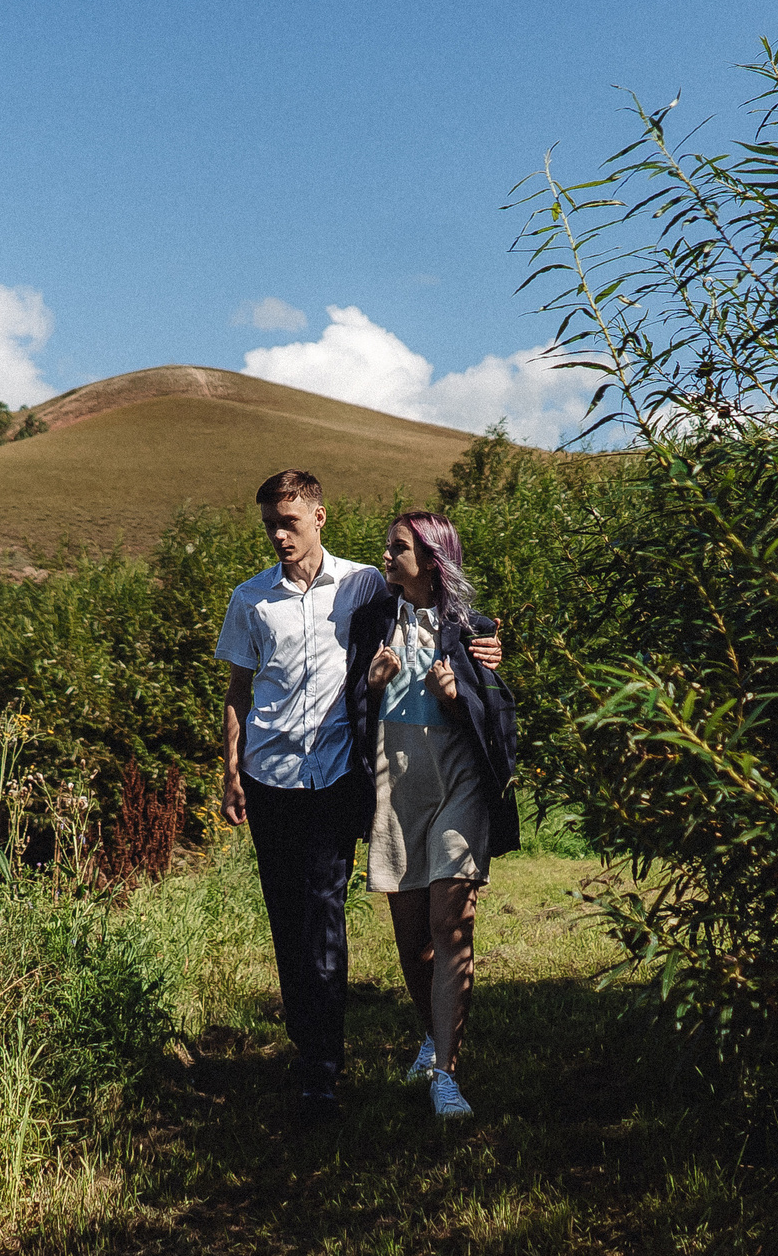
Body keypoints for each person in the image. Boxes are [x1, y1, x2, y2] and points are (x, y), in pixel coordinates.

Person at [217, 469, 502, 1122]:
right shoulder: (252, 599)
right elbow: (238, 690)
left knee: (328, 917)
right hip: (277, 778)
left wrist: (485, 654)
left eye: (289, 521)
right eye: (269, 525)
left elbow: (454, 621)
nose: (278, 535)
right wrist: (231, 772)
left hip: (340, 778)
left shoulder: (363, 584)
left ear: (319, 517)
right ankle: (322, 1043)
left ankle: (325, 1069)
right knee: (295, 922)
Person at [353, 510, 517, 1121]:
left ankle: (446, 1074)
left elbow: (499, 713)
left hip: (459, 784)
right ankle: (431, 1033)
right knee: (413, 941)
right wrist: (372, 686)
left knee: (451, 925)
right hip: (395, 788)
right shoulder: (371, 622)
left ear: (430, 558)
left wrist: (458, 696)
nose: (386, 556)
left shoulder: (473, 629)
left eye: (397, 548)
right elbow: (344, 704)